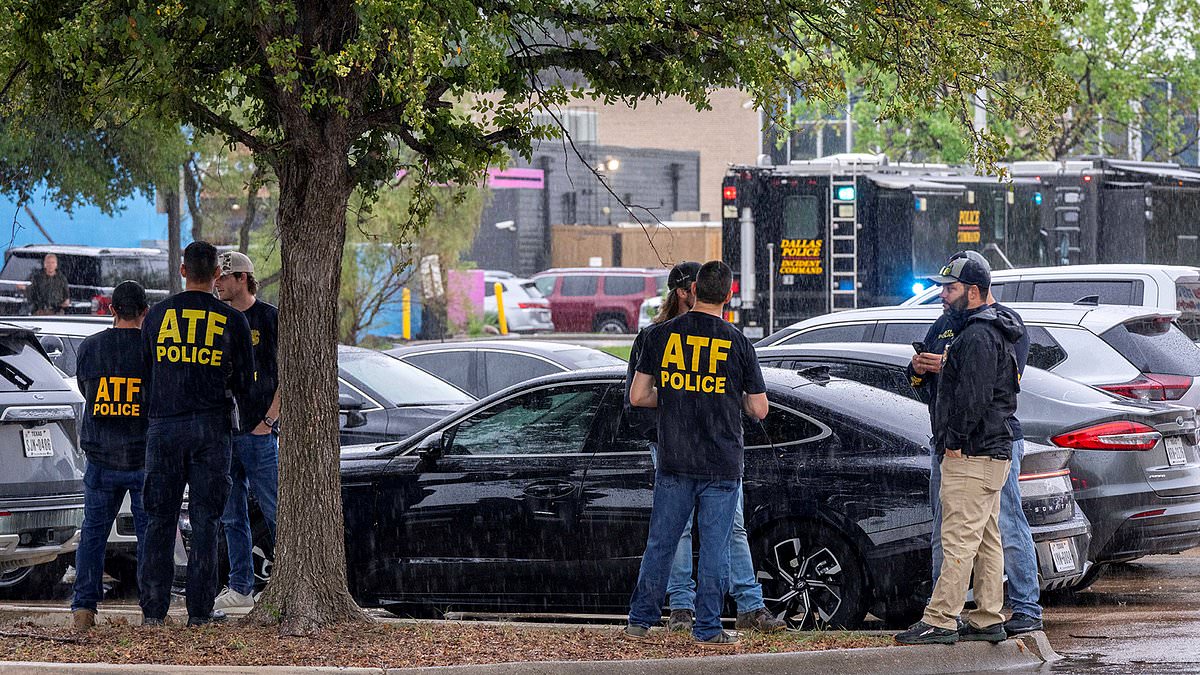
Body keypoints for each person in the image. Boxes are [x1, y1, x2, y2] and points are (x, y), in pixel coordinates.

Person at [625, 261, 784, 635]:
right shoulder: (738, 343)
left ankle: (641, 620)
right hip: (722, 463)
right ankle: (709, 628)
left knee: (661, 543)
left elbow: (637, 396)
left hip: (675, 458)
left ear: (693, 289)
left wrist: (678, 394)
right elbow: (759, 408)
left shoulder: (660, 336)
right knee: (716, 548)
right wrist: (731, 399)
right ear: (728, 295)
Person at [908, 250, 1044, 637]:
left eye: (950, 288)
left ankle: (943, 619)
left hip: (975, 447)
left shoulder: (989, 330)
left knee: (967, 535)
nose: (942, 295)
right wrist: (919, 370)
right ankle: (986, 617)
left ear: (973, 291)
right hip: (964, 445)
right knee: (980, 536)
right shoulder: (954, 326)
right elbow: (942, 388)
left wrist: (955, 440)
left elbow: (978, 393)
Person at [138, 241, 256, 627]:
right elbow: (245, 383)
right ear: (217, 276)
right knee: (207, 520)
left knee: (160, 518)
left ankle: (153, 611)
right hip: (211, 428)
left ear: (183, 270)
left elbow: (143, 376)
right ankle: (200, 611)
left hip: (165, 426)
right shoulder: (233, 321)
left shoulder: (157, 316)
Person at [70, 281, 151, 630]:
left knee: (93, 534)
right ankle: (152, 608)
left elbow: (86, 389)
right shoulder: (152, 350)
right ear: (145, 312)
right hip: (142, 455)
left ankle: (83, 609)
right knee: (150, 534)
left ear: (112, 310)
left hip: (101, 456)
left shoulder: (90, 348)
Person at [212, 251, 279, 611]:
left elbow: (288, 375)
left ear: (242, 279)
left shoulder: (268, 318)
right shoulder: (218, 320)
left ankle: (285, 579)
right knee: (232, 515)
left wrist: (268, 421)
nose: (218, 284)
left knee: (274, 509)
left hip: (258, 433)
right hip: (224, 433)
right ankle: (240, 586)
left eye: (224, 278)